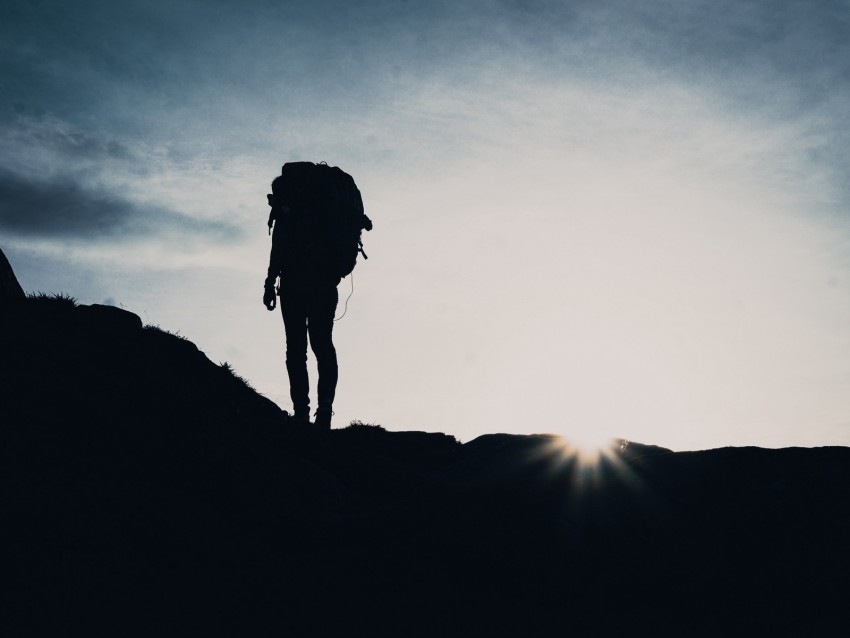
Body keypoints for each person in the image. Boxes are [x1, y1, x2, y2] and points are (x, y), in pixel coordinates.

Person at [263, 174, 340, 430]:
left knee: (296, 349)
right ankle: (325, 409)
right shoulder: (326, 214)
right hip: (324, 286)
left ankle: (301, 412)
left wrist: (269, 284)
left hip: (294, 286)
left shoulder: (287, 215)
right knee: (322, 345)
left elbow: (278, 251)